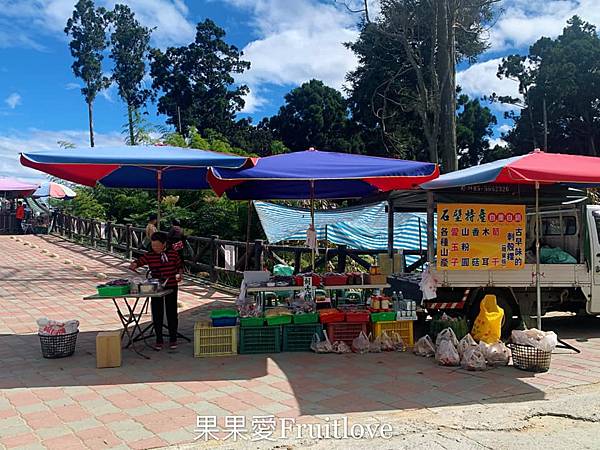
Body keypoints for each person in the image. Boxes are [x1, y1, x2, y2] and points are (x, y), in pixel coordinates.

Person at [129, 232, 183, 351]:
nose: (155, 248)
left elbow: (179, 266)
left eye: (157, 245)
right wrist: (134, 264)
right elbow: (140, 261)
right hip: (156, 287)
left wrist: (179, 274)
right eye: (153, 245)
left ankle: (173, 338)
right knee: (157, 312)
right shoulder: (150, 255)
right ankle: (159, 339)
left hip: (171, 285)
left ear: (164, 244)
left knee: (171, 312)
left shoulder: (173, 254)